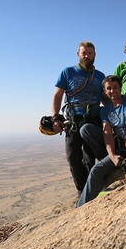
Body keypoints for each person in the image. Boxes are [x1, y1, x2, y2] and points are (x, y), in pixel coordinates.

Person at [77, 75, 126, 207]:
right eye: (109, 89)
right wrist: (112, 156)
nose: (112, 91)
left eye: (115, 87)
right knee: (96, 171)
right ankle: (80, 208)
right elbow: (107, 134)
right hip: (119, 148)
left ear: (120, 87)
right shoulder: (105, 110)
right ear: (105, 92)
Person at [51, 41, 108, 195]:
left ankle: (92, 189)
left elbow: (105, 99)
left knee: (90, 158)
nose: (87, 56)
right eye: (84, 53)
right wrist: (55, 117)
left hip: (94, 119)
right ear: (78, 54)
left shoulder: (100, 76)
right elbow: (57, 96)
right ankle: (82, 191)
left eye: (90, 53)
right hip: (73, 120)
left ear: (94, 55)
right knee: (73, 156)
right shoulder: (67, 72)